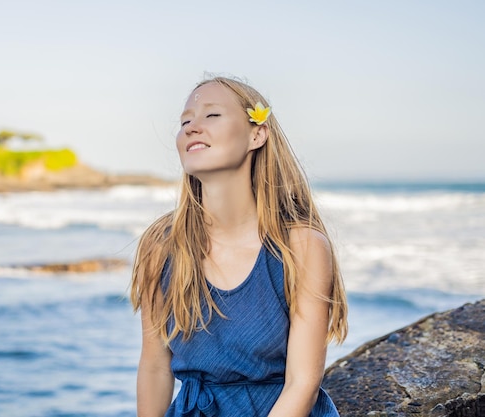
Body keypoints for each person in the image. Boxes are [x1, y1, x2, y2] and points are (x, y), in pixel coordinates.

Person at [130, 76, 348, 417]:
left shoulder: (300, 247)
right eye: (185, 121)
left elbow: (302, 383)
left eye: (211, 115)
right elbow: (155, 367)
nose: (192, 128)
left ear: (256, 134)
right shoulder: (160, 245)